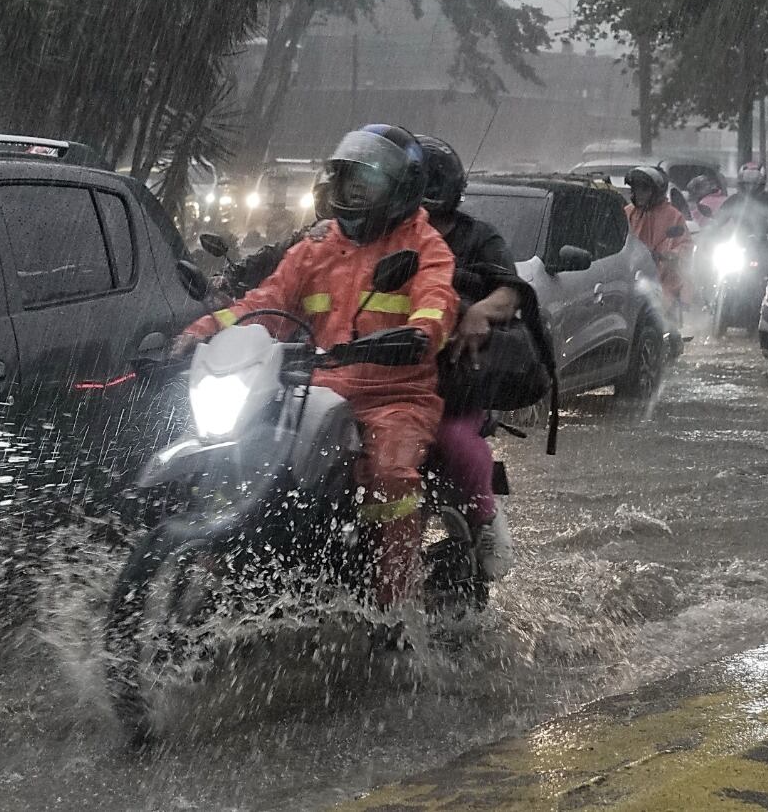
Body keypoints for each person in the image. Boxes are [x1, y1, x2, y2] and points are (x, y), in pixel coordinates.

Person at [172, 125, 458, 610]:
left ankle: (394, 608)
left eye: (369, 184)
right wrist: (202, 331)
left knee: (392, 474)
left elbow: (437, 301)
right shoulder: (317, 245)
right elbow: (269, 301)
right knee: (233, 446)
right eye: (351, 183)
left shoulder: (425, 246)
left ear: (401, 189)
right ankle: (230, 560)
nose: (357, 194)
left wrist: (418, 335)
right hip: (313, 386)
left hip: (393, 395)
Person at [415, 135, 520, 580]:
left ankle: (483, 521)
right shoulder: (374, 232)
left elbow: (512, 292)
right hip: (370, 371)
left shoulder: (479, 238)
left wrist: (478, 311)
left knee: (454, 439)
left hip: (450, 374)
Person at [625, 165, 691, 318]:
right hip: (633, 274)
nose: (639, 193)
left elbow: (685, 245)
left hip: (664, 279)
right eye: (636, 189)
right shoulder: (628, 212)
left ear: (655, 191)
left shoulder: (673, 216)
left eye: (644, 189)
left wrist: (669, 255)